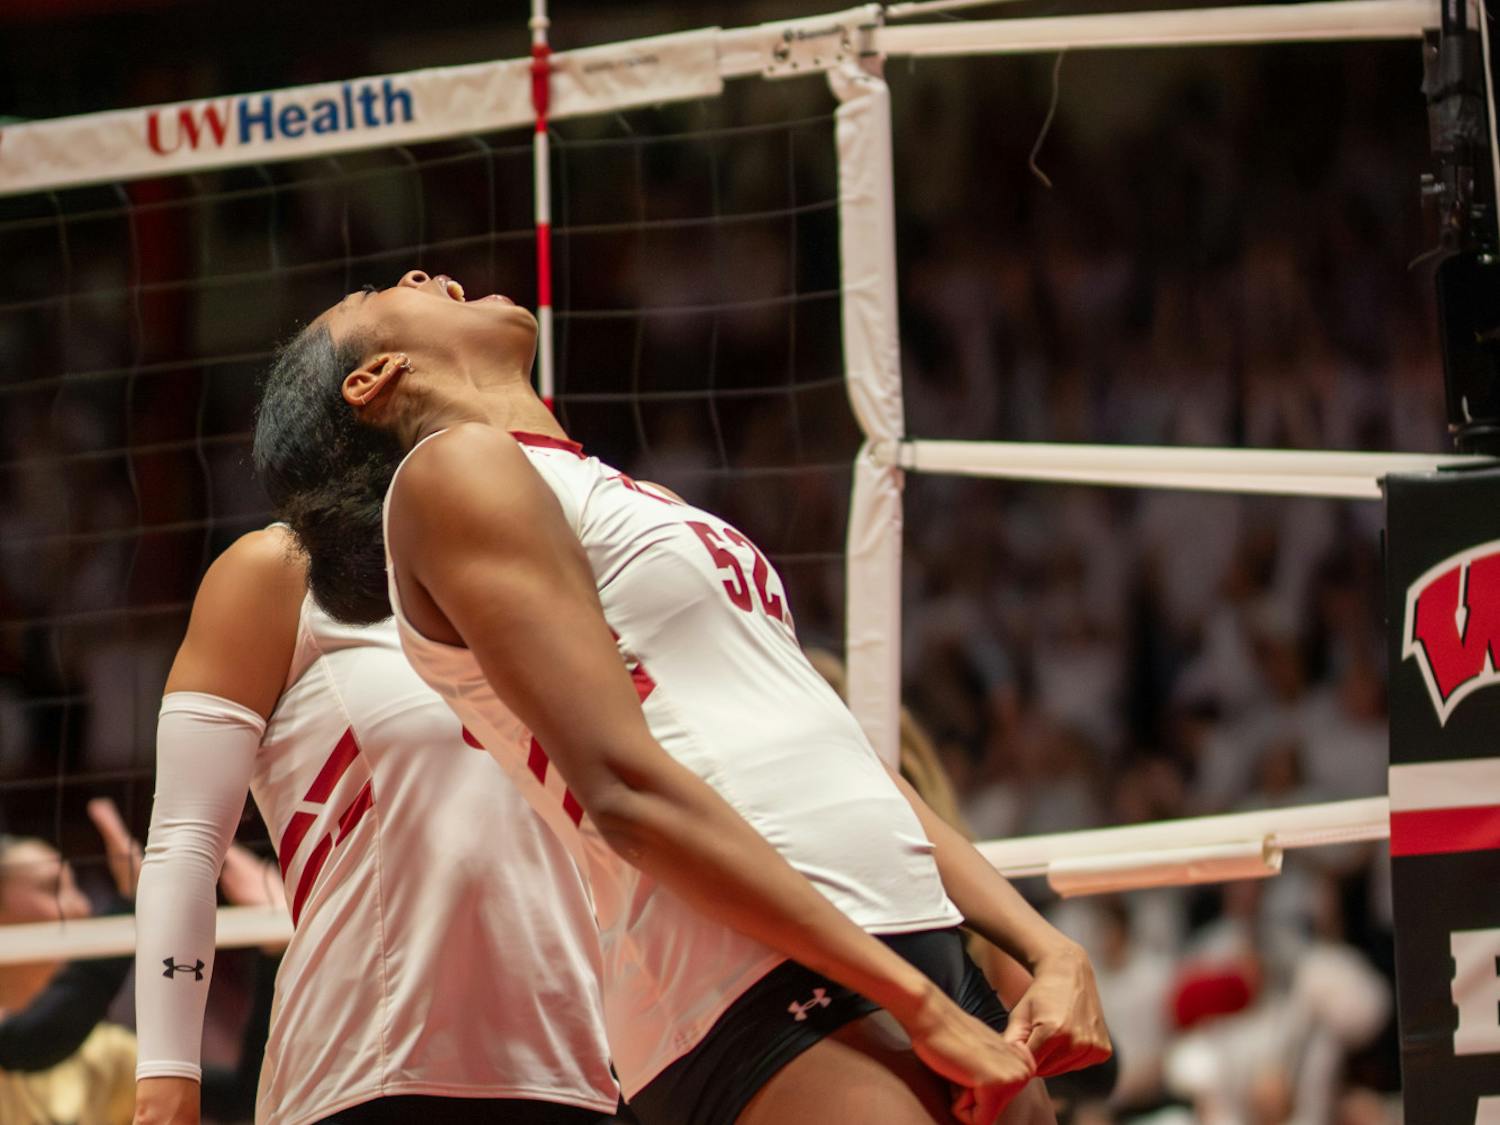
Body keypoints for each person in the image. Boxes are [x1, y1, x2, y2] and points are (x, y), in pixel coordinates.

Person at [253, 269, 1112, 1125]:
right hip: (746, 973)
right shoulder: (451, 475)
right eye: (375, 293)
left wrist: (1043, 944)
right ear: (374, 377)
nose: (419, 274)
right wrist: (917, 1004)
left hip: (902, 929)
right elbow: (625, 791)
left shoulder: (638, 497)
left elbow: (847, 754)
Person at [131, 524, 619, 1125]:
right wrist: (166, 1082)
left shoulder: (551, 568)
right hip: (364, 1072)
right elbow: (184, 843)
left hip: (576, 1070)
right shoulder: (283, 571)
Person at [0, 802, 269, 1125]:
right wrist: (131, 907)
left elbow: (242, 1099)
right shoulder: (39, 1039)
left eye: (76, 887)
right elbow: (33, 1040)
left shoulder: (103, 1054)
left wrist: (274, 954)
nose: (82, 907)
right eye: (53, 888)